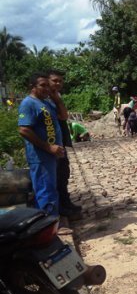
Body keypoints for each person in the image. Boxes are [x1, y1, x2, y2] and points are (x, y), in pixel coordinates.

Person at [18, 73, 65, 216]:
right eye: (42, 85)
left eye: (47, 85)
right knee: (45, 191)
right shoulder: (28, 103)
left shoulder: (46, 103)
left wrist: (57, 100)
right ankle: (49, 224)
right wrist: (49, 147)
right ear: (32, 87)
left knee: (50, 189)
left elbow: (63, 116)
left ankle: (51, 222)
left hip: (51, 156)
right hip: (40, 157)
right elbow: (24, 129)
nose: (46, 89)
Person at [46, 69, 81, 217]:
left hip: (59, 141)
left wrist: (58, 100)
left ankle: (65, 202)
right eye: (55, 80)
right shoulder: (44, 99)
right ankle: (59, 207)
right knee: (55, 176)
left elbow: (64, 116)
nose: (58, 83)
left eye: (60, 81)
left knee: (64, 173)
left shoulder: (56, 96)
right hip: (50, 144)